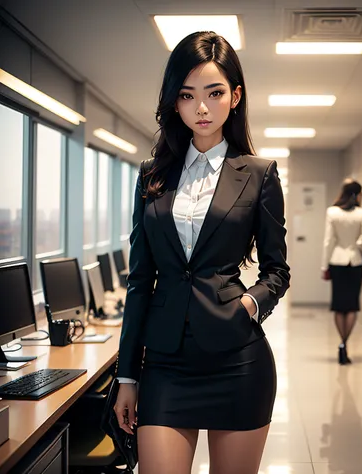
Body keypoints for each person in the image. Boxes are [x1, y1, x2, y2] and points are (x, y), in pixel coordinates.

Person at [113, 31, 290, 474]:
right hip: (166, 365)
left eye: (214, 93)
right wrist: (127, 375)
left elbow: (277, 271)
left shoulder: (259, 174)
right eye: (188, 96)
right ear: (175, 102)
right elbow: (139, 280)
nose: (203, 108)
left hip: (238, 359)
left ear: (236, 95)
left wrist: (250, 303)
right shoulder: (152, 175)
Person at [321, 179, 362, 365]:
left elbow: (328, 241)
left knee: (339, 305)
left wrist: (324, 267)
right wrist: (356, 245)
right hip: (355, 261)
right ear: (356, 195)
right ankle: (344, 343)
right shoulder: (361, 213)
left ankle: (341, 343)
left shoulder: (332, 212)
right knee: (352, 305)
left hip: (337, 261)